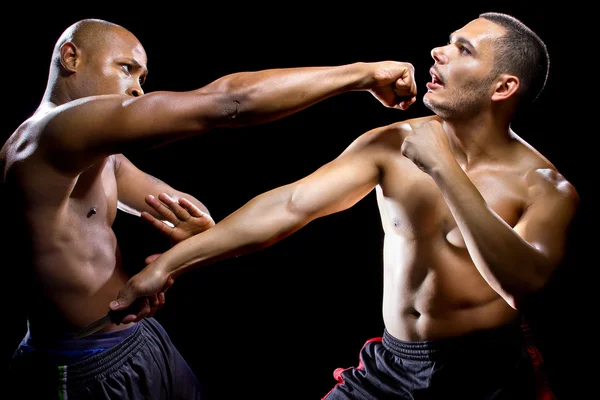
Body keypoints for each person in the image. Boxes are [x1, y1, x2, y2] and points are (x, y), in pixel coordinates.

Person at [110, 12, 579, 400]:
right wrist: (171, 264)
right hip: (394, 366)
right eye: (449, 42)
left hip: (486, 375)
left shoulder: (545, 188)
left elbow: (525, 285)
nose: (439, 52)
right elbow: (291, 204)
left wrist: (444, 170)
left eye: (464, 50)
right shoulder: (392, 143)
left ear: (502, 88)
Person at [0, 16, 418, 399]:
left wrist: (186, 247)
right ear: (70, 57)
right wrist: (363, 74)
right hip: (79, 366)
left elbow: (182, 213)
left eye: (143, 77)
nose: (137, 89)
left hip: (140, 340)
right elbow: (229, 103)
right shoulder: (48, 137)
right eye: (126, 68)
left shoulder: (103, 156)